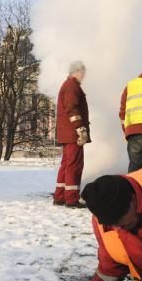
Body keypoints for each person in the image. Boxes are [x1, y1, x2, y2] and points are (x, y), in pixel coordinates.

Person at [53, 61, 90, 208]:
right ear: (76, 71)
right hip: (72, 133)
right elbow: (72, 109)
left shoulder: (68, 85)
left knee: (66, 165)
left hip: (66, 133)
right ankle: (71, 199)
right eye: (82, 72)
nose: (84, 76)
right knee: (74, 165)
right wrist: (80, 129)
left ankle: (60, 196)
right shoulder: (72, 86)